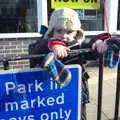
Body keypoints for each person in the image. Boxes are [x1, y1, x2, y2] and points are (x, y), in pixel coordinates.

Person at [29, 8, 109, 120]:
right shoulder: (45, 43)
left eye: (69, 32)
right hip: (49, 95)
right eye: (59, 31)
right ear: (52, 31)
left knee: (78, 116)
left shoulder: (78, 45)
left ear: (77, 33)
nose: (64, 36)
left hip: (76, 92)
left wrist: (98, 43)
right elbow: (34, 50)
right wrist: (53, 44)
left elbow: (89, 48)